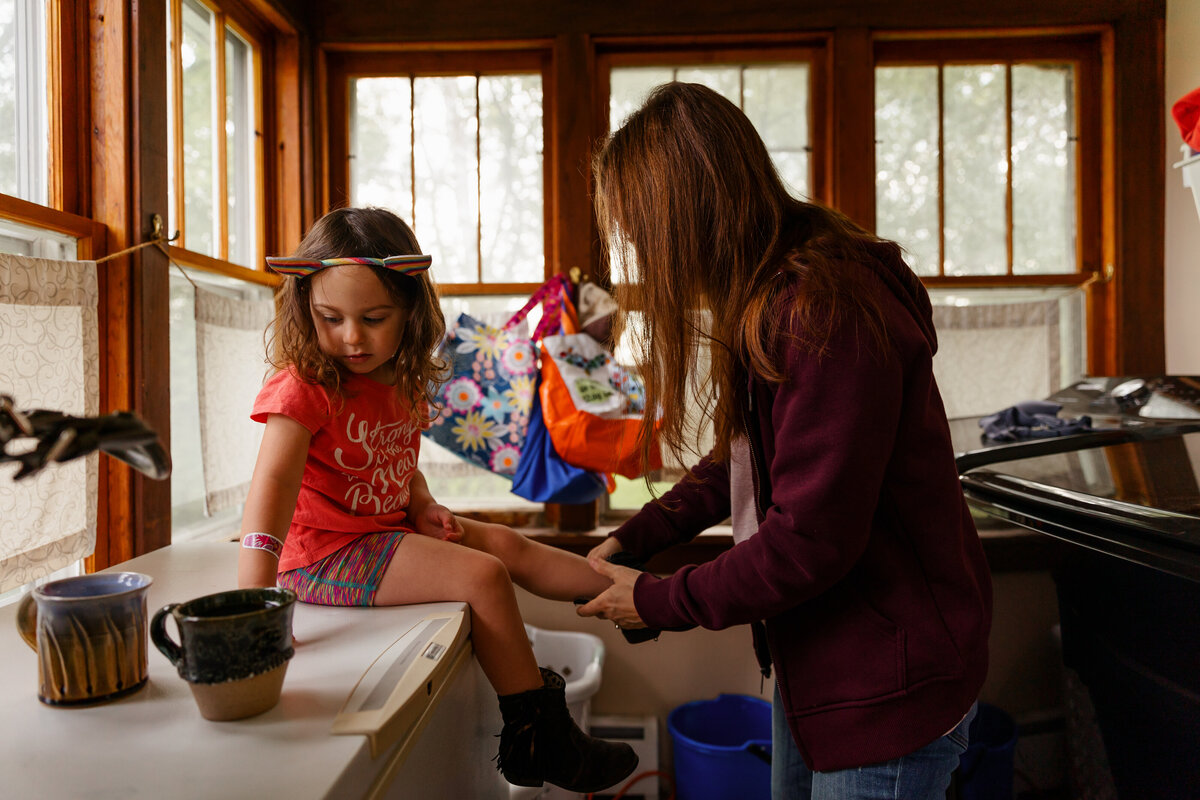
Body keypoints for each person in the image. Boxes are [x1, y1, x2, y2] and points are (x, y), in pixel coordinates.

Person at [577, 83, 993, 799]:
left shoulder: (825, 309)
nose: (644, 254)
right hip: (819, 668)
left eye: (644, 233)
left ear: (688, 218)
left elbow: (809, 539)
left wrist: (658, 601)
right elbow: (741, 463)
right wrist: (638, 537)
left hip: (884, 686)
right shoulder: (770, 292)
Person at [237, 206, 637, 793]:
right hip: (324, 554)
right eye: (331, 317)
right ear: (305, 310)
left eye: (374, 318)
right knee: (485, 576)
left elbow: (397, 462)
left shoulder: (400, 378)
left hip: (385, 531)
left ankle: (629, 596)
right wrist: (254, 600)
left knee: (507, 543)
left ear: (410, 313)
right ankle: (536, 735)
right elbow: (270, 489)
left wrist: (420, 501)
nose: (352, 336)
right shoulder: (304, 386)